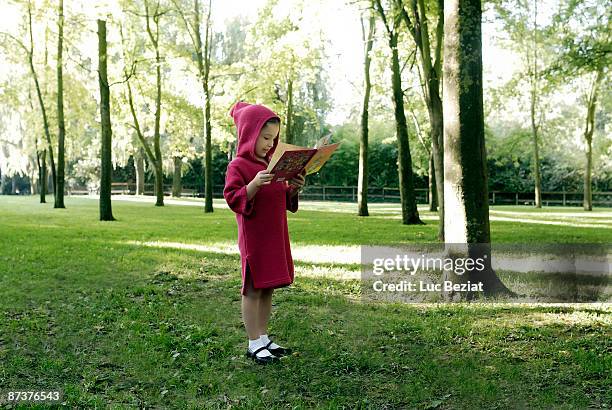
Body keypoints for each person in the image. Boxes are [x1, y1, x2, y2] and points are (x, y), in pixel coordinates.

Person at [223, 101, 305, 365]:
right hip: (255, 239)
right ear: (249, 134)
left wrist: (294, 187)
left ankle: (263, 337)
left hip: (274, 235)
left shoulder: (274, 164)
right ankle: (252, 342)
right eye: (266, 137)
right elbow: (234, 198)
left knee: (269, 287)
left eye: (274, 138)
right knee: (253, 289)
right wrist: (254, 184)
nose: (270, 144)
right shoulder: (238, 166)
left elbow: (281, 197)